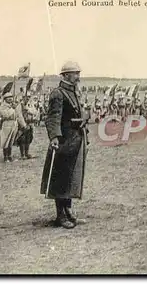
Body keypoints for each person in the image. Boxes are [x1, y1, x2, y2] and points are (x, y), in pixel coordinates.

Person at [41, 61, 89, 229]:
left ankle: (69, 211)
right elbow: (53, 117)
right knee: (60, 178)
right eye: (75, 73)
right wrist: (54, 137)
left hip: (75, 139)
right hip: (63, 141)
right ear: (67, 75)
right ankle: (60, 216)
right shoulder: (58, 93)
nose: (78, 76)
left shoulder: (74, 92)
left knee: (70, 177)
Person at [0, 92, 19, 162]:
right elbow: (5, 115)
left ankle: (10, 156)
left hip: (13, 123)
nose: (10, 98)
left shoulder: (12, 105)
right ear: (5, 99)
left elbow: (17, 114)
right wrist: (12, 109)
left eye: (11, 97)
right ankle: (5, 157)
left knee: (11, 140)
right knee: (6, 140)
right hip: (7, 123)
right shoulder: (3, 106)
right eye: (8, 97)